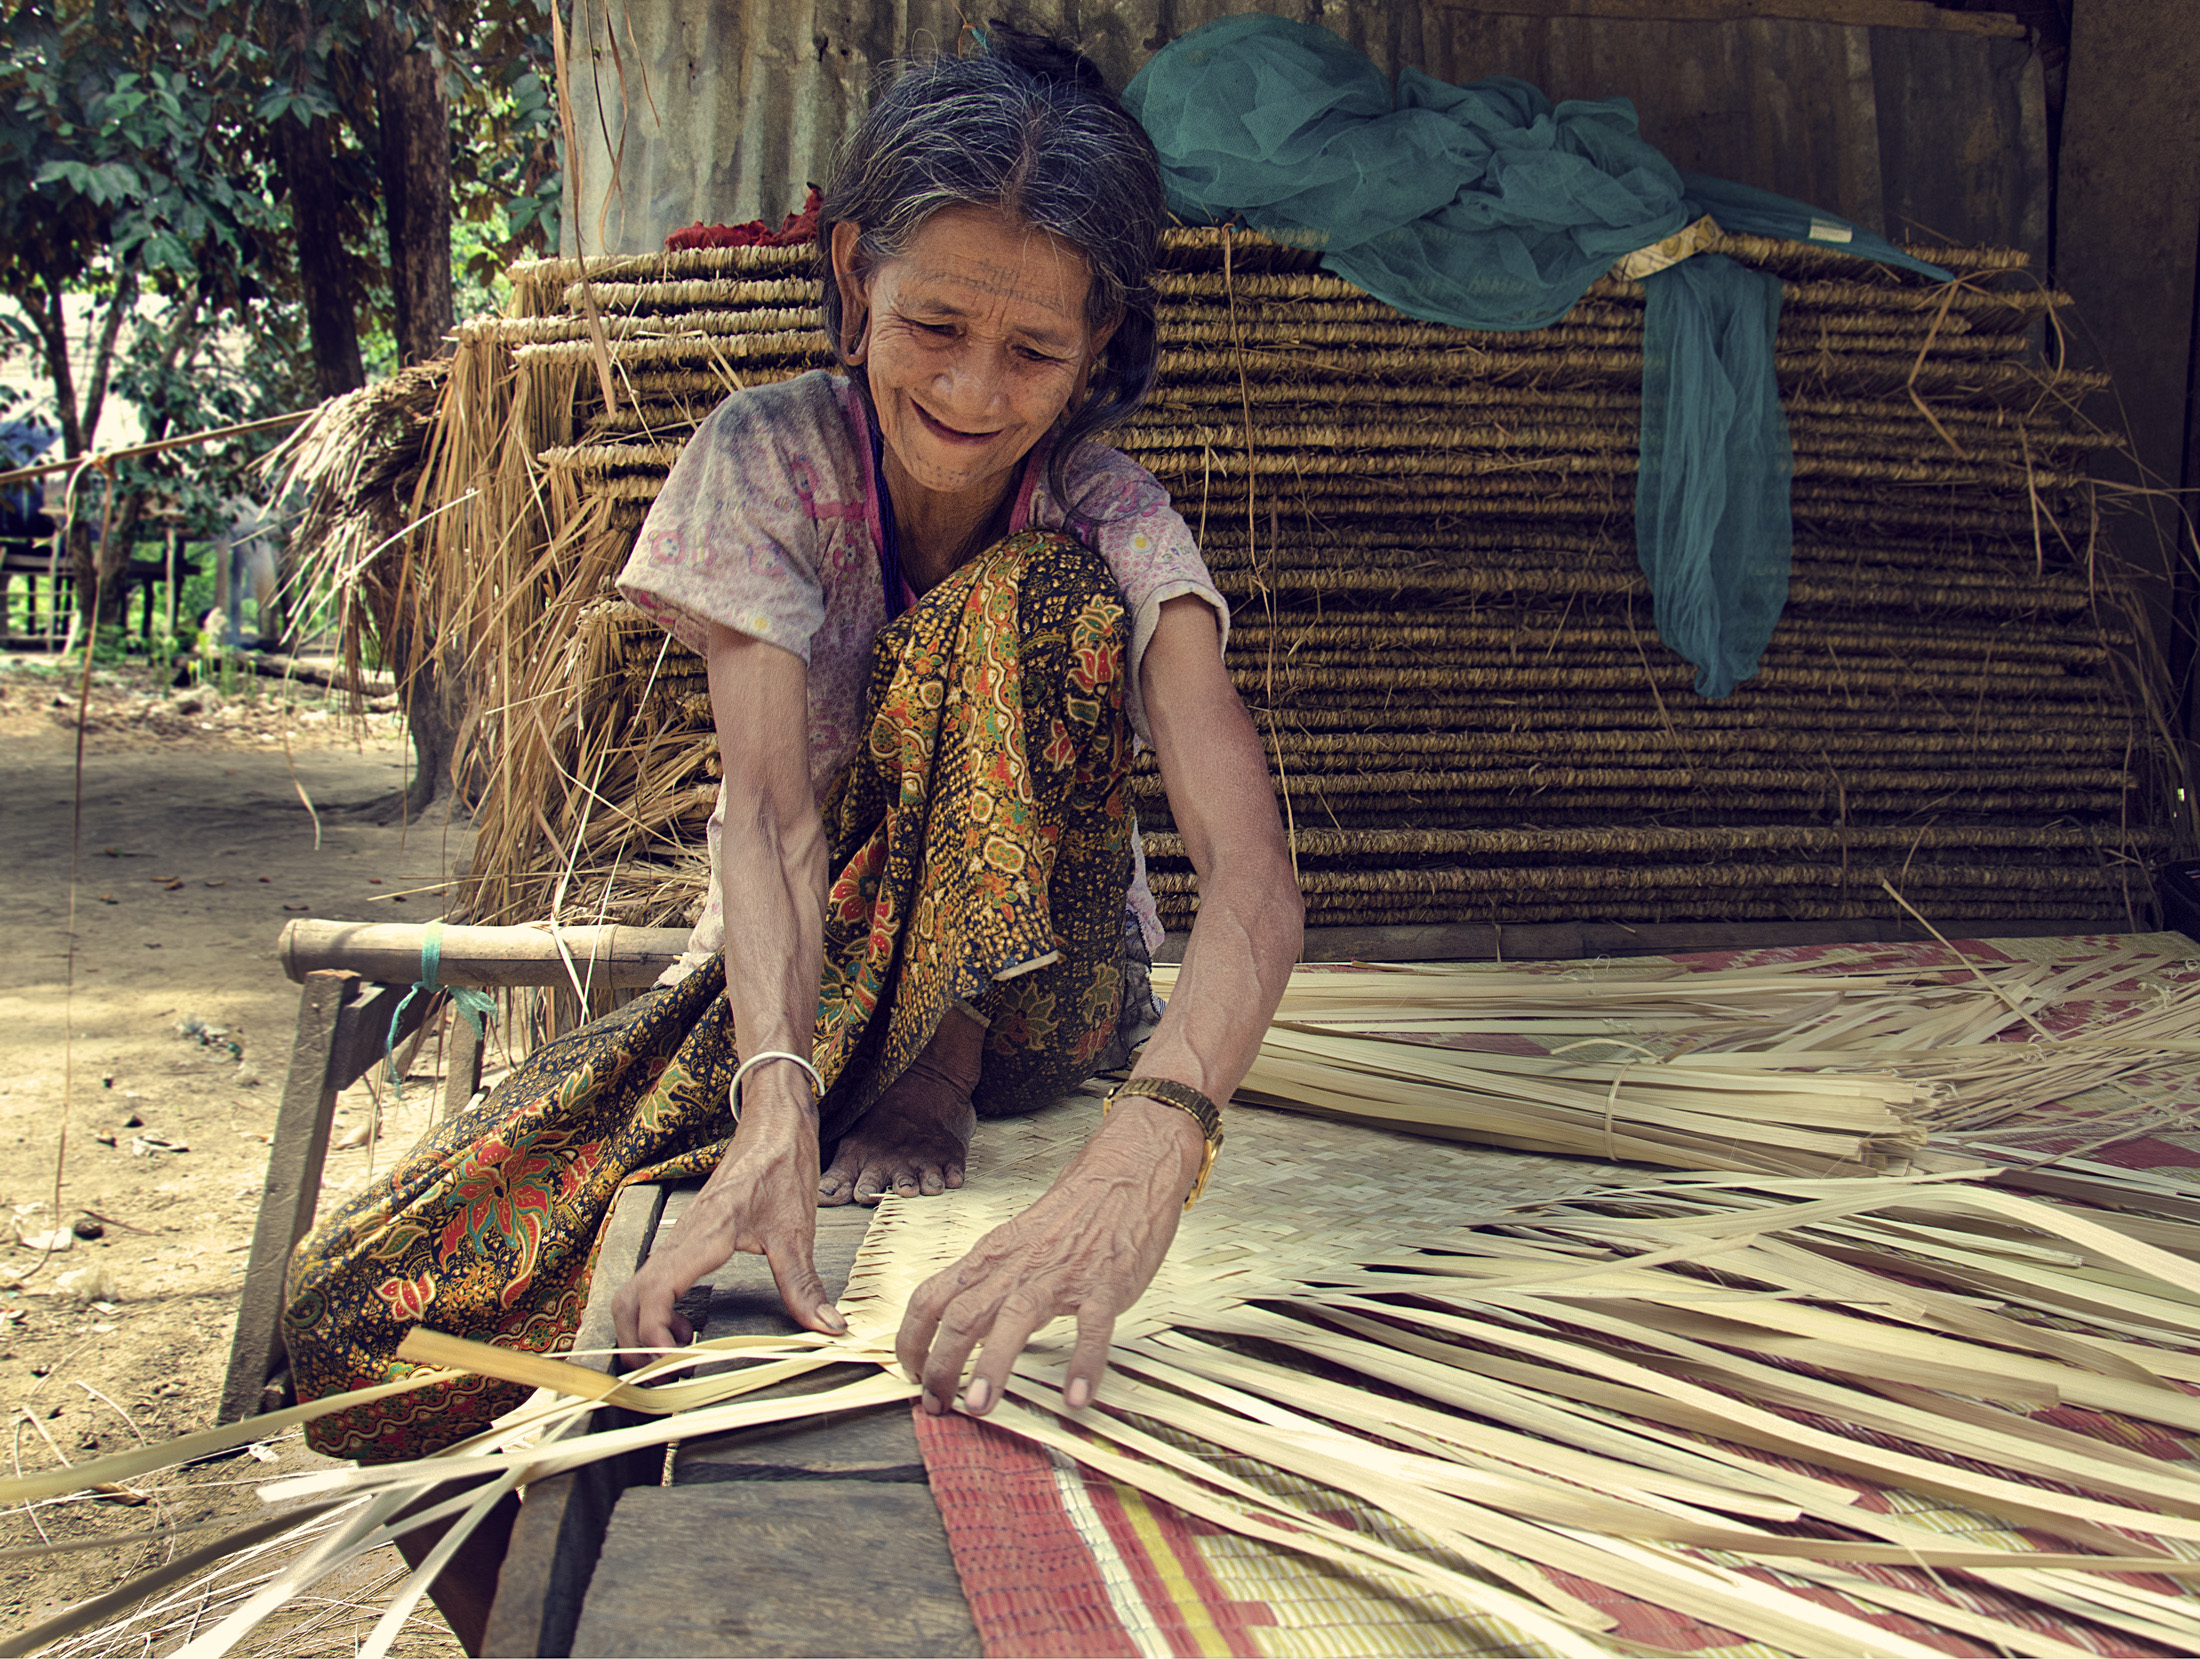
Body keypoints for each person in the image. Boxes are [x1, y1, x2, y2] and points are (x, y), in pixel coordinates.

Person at [281, 25, 1300, 1653]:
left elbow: (1253, 879)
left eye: (1033, 352)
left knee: (1025, 606)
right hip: (817, 1001)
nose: (972, 394)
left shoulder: (1109, 519)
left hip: (1043, 1005)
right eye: (933, 326)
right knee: (351, 1317)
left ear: (1100, 337)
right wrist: (771, 1103)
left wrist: (1148, 1151)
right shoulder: (765, 458)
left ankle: (941, 1068)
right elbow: (764, 819)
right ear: (850, 276)